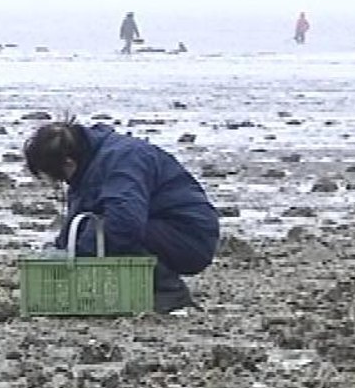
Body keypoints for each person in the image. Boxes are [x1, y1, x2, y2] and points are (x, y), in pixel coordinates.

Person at [23, 118, 220, 313]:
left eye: (58, 178)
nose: (63, 183)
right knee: (97, 232)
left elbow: (125, 224)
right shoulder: (89, 161)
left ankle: (169, 291)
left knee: (113, 232)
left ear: (67, 163)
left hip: (190, 236)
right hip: (159, 225)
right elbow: (79, 216)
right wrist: (61, 253)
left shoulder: (124, 160)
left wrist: (81, 255)